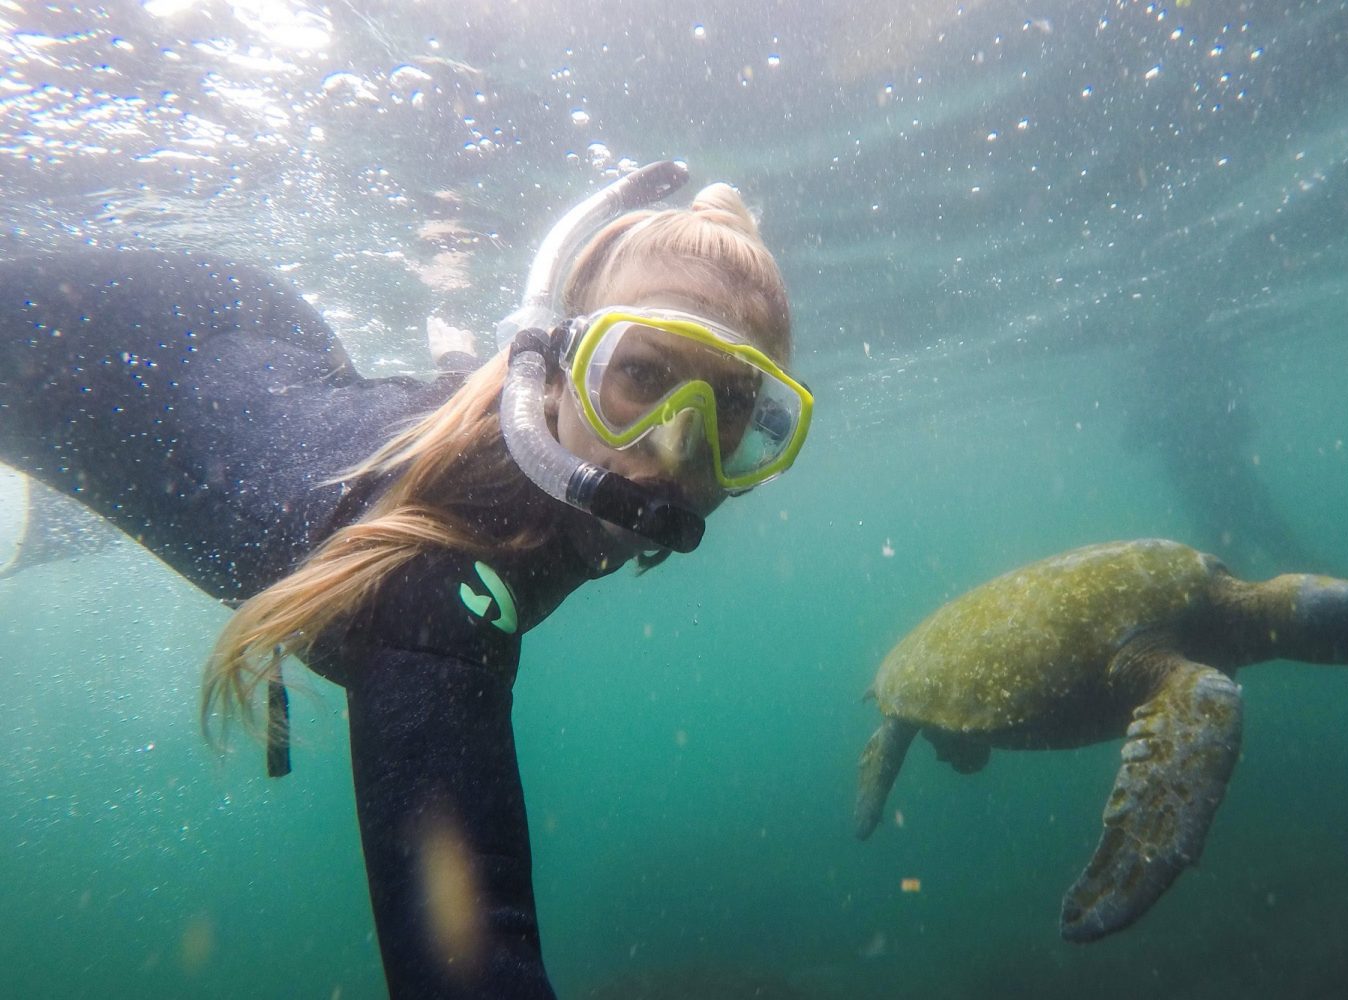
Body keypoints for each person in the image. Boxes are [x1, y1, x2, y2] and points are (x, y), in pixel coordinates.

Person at [0, 163, 813, 998]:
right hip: (98, 347)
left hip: (252, 341)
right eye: (639, 374)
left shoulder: (523, 432)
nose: (674, 449)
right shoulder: (440, 583)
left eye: (732, 404)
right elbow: (469, 961)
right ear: (559, 366)